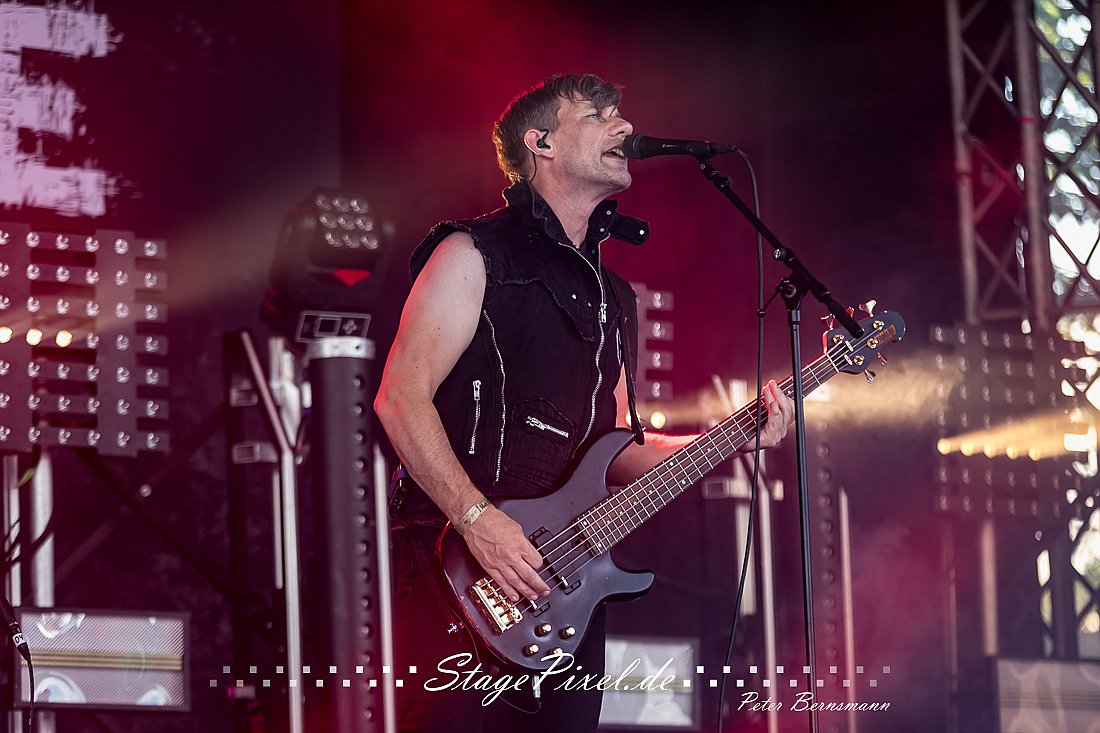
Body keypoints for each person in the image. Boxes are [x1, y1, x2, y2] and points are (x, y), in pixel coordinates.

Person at [373, 73, 794, 733]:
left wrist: (735, 435)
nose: (624, 126)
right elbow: (400, 397)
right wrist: (477, 518)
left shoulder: (613, 296)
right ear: (540, 143)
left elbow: (618, 450)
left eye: (620, 113)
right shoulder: (471, 252)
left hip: (562, 590)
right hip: (456, 568)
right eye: (598, 115)